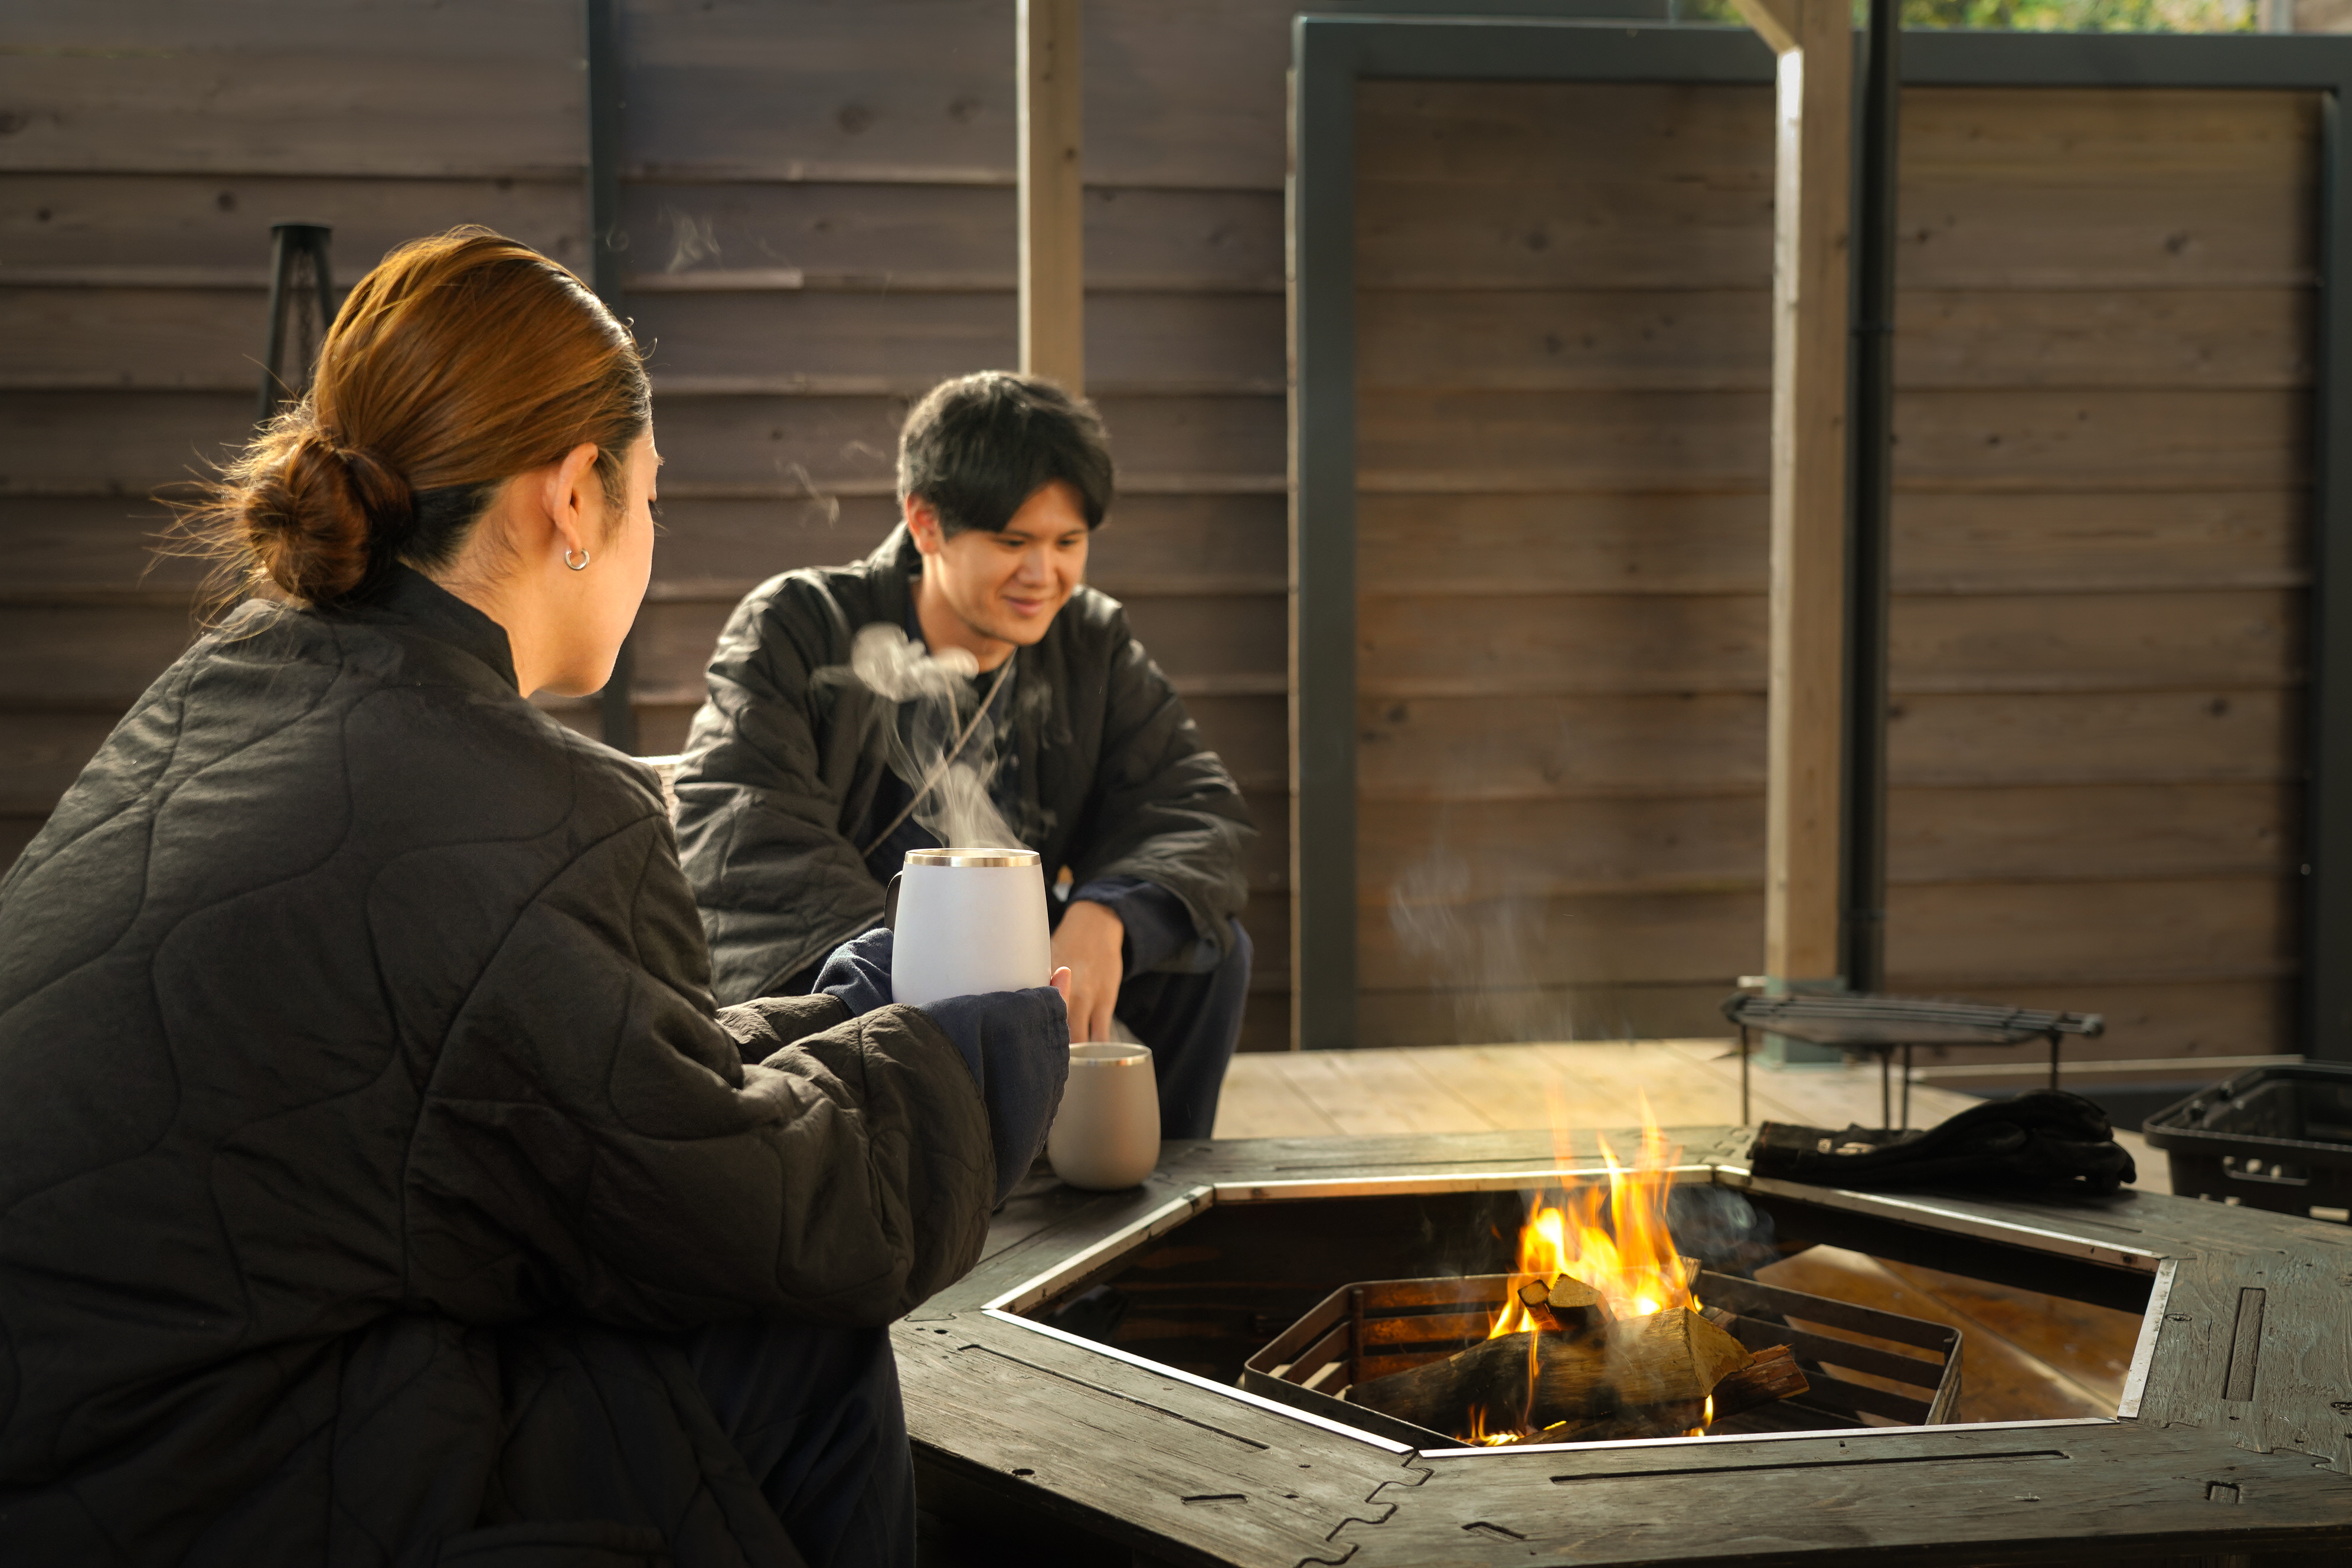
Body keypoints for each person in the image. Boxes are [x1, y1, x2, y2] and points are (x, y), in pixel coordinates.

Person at [0, 230, 1069, 1568]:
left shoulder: (216, 693)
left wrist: (845, 1009)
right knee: (794, 1337)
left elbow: (548, 1097)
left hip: (85, 1442)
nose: (651, 532)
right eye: (652, 496)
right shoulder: (525, 801)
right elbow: (762, 1221)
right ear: (574, 496)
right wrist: (979, 1049)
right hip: (214, 1487)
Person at [672, 372, 1256, 1139]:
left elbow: (1193, 807)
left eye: (1068, 543)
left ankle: (1153, 1184)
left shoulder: (1090, 642)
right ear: (926, 523)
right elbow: (744, 834)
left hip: (1022, 960)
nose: (1044, 575)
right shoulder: (799, 624)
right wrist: (930, 954)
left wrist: (1107, 912)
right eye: (1013, 542)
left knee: (1204, 944)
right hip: (855, 966)